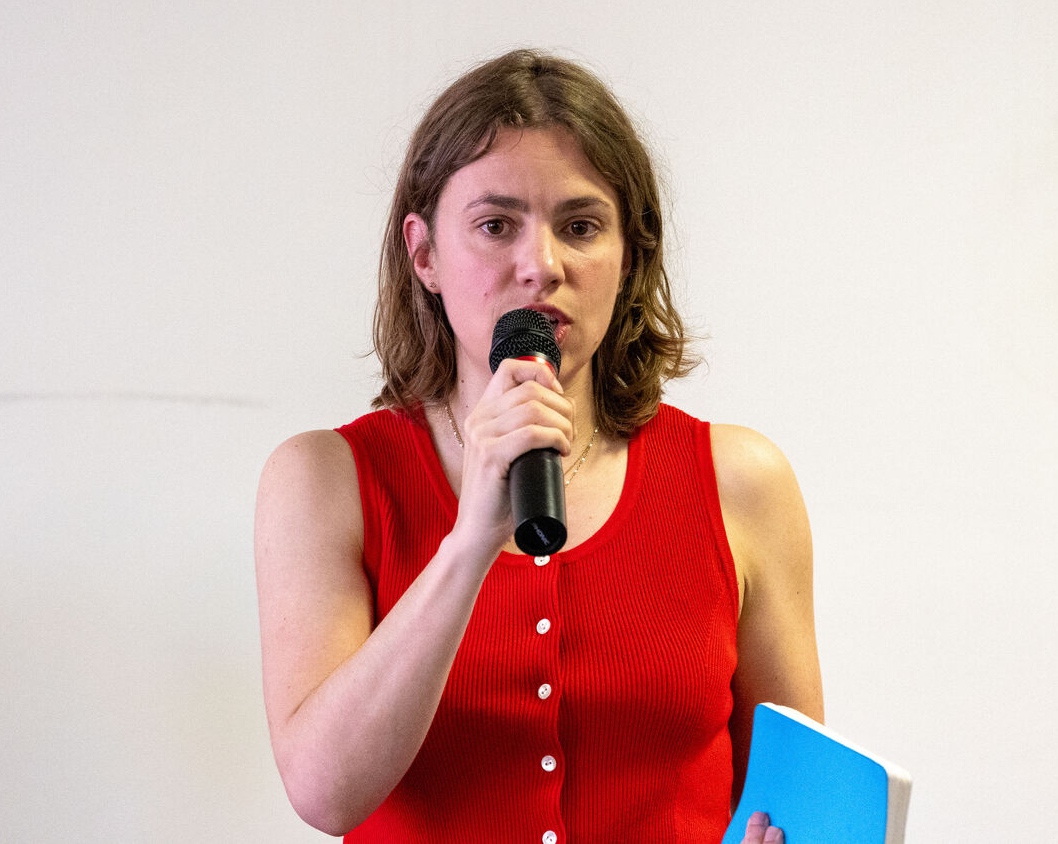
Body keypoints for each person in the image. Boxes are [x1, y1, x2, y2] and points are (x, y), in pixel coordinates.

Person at [254, 49, 823, 844]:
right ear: (424, 253)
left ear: (630, 253)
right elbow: (325, 791)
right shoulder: (323, 481)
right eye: (496, 226)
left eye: (581, 227)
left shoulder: (740, 480)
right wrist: (470, 542)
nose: (542, 266)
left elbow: (801, 802)